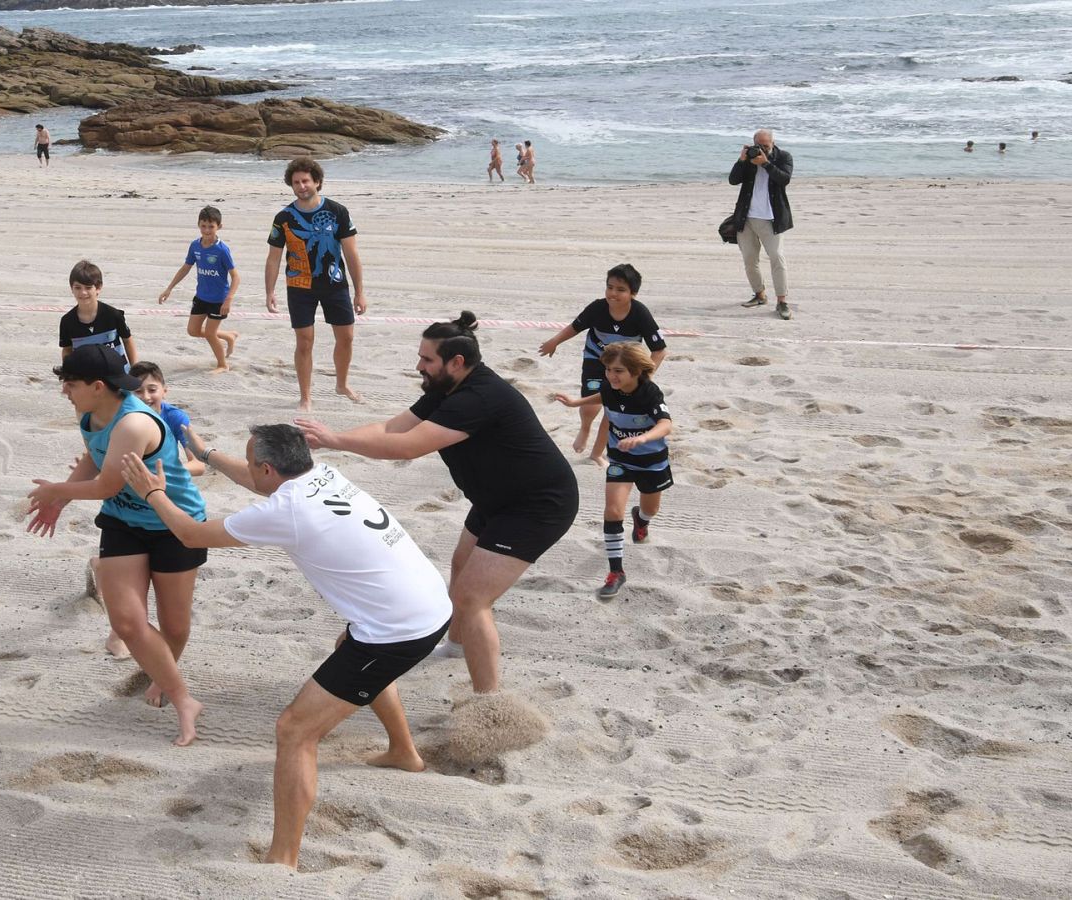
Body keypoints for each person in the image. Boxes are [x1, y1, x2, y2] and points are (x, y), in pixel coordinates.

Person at [117, 424, 449, 870]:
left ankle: (282, 859)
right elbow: (256, 477)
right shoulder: (323, 473)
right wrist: (208, 454)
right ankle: (403, 753)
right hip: (428, 603)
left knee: (295, 731)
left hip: (398, 628)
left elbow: (191, 535)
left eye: (253, 461)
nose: (250, 468)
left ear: (270, 468)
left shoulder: (286, 511)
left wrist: (152, 492)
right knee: (351, 649)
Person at [297, 312, 578, 694]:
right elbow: (391, 428)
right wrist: (331, 437)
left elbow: (407, 446)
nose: (419, 366)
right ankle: (457, 648)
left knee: (472, 597)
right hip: (496, 498)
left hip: (536, 505)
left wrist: (337, 441)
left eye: (427, 359)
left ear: (456, 362)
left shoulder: (478, 397)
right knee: (461, 564)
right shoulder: (446, 390)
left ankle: (488, 702)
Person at [26, 344, 208, 746]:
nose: (64, 392)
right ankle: (183, 698)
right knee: (127, 622)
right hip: (125, 521)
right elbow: (95, 458)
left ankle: (164, 675)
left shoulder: (134, 424)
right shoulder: (88, 410)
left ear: (97, 386)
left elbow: (109, 484)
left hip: (172, 522)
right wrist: (62, 499)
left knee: (174, 627)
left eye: (69, 384)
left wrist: (54, 488)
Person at [553, 342, 673, 600]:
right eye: (608, 369)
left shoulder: (650, 393)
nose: (611, 376)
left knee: (650, 509)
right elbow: (604, 395)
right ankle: (616, 572)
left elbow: (665, 424)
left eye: (618, 371)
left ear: (637, 371)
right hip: (620, 459)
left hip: (652, 462)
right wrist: (576, 403)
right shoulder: (611, 388)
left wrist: (642, 439)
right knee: (612, 510)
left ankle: (641, 520)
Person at [537, 264, 667, 466]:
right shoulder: (597, 308)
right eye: (610, 287)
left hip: (625, 368)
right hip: (596, 359)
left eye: (621, 289)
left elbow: (660, 350)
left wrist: (645, 375)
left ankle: (597, 453)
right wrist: (554, 341)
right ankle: (585, 427)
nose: (613, 293)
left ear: (633, 293)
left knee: (612, 411)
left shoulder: (640, 313)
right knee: (591, 403)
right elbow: (575, 327)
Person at [264, 157, 367, 412]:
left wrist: (360, 292)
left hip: (335, 284)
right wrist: (270, 291)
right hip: (299, 286)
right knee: (305, 341)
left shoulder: (338, 212)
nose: (301, 186)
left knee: (347, 338)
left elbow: (352, 255)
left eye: (306, 181)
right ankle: (306, 396)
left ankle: (341, 384)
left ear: (317, 182)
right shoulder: (283, 217)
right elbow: (273, 258)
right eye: (296, 182)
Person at [158, 205, 241, 373]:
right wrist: (169, 288)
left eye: (211, 226)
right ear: (198, 225)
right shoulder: (195, 245)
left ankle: (223, 365)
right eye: (203, 226)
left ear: (219, 227)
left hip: (219, 300)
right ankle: (228, 336)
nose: (207, 230)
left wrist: (229, 299)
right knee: (193, 331)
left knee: (210, 334)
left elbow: (236, 277)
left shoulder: (222, 250)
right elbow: (186, 267)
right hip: (201, 297)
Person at [730, 128, 795, 320]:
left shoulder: (783, 157)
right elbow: (733, 180)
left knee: (777, 258)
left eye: (766, 146)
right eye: (759, 146)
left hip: (771, 219)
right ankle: (759, 295)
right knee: (750, 260)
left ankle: (782, 301)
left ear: (773, 143)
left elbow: (784, 179)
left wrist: (766, 164)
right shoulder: (749, 159)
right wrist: (742, 160)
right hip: (747, 218)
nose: (763, 149)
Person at [129, 362, 207, 478]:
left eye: (152, 390)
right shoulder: (123, 417)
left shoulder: (175, 417)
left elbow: (198, 465)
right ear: (128, 394)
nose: (145, 397)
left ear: (164, 391)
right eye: (138, 391)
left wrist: (158, 472)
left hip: (164, 477)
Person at [59, 259, 137, 366]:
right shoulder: (67, 321)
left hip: (118, 374)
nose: (83, 292)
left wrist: (135, 369)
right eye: (77, 287)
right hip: (87, 377)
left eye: (88, 287)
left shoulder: (113, 315)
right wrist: (68, 375)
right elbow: (67, 350)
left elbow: (127, 341)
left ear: (98, 288)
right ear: (71, 288)